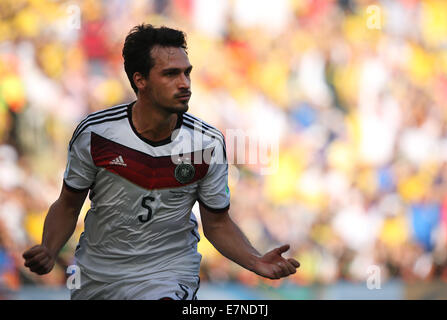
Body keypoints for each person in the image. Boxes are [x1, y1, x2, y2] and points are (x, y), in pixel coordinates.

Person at [22, 24, 300, 300]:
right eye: (171, 74)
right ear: (140, 80)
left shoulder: (207, 143)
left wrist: (255, 261)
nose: (184, 83)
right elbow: (69, 204)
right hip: (98, 277)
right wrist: (49, 248)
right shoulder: (96, 134)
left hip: (168, 273)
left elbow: (217, 224)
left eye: (186, 72)